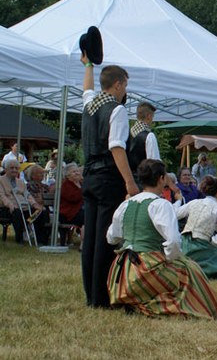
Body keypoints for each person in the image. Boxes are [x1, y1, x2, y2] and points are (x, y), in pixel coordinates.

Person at [106, 159, 217, 319]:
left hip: (123, 272)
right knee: (189, 270)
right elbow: (174, 242)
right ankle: (157, 304)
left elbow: (111, 237)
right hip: (146, 269)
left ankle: (135, 300)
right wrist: (168, 259)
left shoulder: (126, 205)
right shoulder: (160, 205)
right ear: (162, 179)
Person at [80, 56, 138, 309]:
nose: (125, 90)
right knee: (106, 238)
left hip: (89, 177)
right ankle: (102, 298)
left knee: (90, 236)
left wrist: (88, 65)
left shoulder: (91, 104)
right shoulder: (117, 109)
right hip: (107, 178)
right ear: (118, 84)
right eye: (124, 85)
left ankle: (90, 296)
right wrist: (129, 182)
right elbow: (116, 146)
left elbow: (86, 90)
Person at [176, 175, 217, 280]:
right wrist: (214, 242)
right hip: (201, 246)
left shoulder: (194, 202)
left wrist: (178, 201)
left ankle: (188, 266)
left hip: (184, 244)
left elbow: (175, 214)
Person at [0, 159, 47, 245]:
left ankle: (41, 240)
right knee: (17, 212)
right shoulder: (1, 180)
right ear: (6, 169)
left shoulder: (20, 182)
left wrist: (34, 204)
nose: (14, 170)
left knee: (41, 212)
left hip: (24, 207)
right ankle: (19, 239)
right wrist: (10, 205)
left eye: (16, 168)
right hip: (7, 209)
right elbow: (2, 196)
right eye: (11, 168)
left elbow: (27, 195)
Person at [127, 101, 160, 174]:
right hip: (145, 180)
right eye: (152, 116)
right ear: (149, 116)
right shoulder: (149, 136)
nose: (152, 120)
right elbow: (155, 164)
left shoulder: (128, 133)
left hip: (129, 178)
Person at [24, 163, 53, 244]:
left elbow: (45, 198)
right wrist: (42, 200)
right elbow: (35, 200)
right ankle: (41, 239)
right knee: (42, 213)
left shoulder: (45, 186)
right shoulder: (29, 186)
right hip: (32, 211)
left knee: (47, 213)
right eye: (39, 173)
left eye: (42, 173)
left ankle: (45, 239)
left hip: (45, 208)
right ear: (32, 175)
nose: (42, 174)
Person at [59, 163, 85, 245]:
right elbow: (73, 198)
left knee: (92, 214)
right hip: (69, 213)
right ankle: (83, 243)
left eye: (77, 171)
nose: (77, 173)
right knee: (88, 216)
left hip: (80, 211)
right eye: (74, 171)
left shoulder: (81, 184)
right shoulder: (65, 185)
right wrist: (83, 190)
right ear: (68, 175)